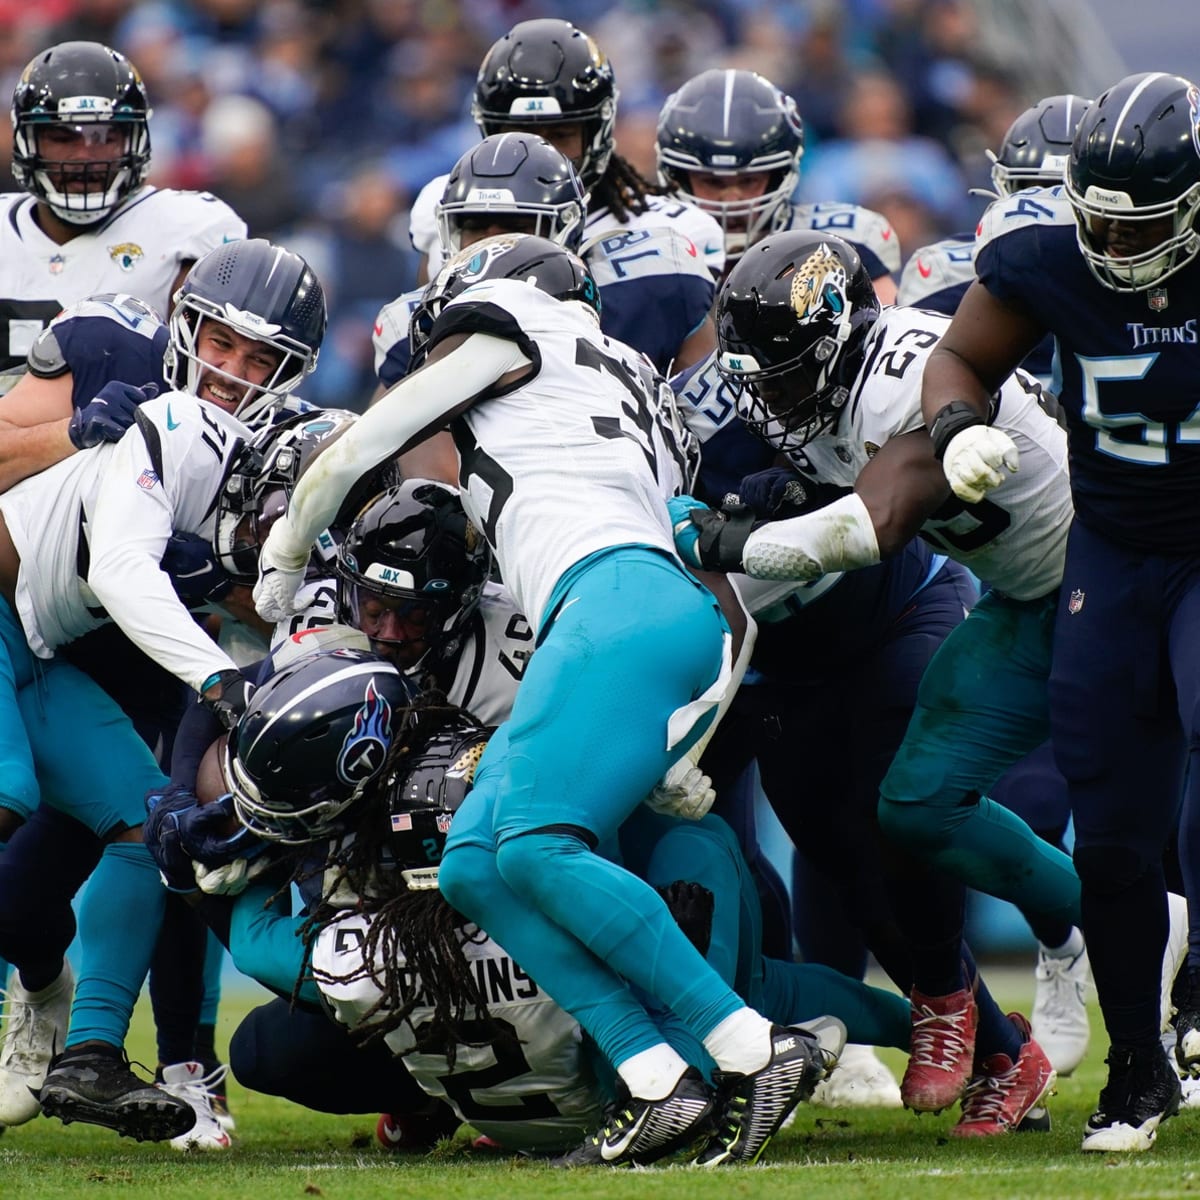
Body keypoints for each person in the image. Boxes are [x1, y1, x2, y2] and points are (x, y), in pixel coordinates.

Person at [252, 233, 836, 1167]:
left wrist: (286, 554)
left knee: (533, 843)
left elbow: (362, 444)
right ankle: (656, 1080)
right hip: (639, 612)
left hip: (610, 603)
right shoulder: (631, 383)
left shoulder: (517, 323)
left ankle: (751, 1046)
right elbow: (696, 566)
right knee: (475, 866)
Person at [670, 229, 1083, 1130]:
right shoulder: (726, 397)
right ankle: (998, 1023)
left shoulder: (900, 374)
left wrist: (720, 536)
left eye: (778, 373)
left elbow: (874, 522)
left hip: (965, 596)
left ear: (831, 340)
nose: (763, 396)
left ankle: (1088, 955)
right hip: (969, 608)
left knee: (921, 810)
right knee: (860, 832)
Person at [917, 71, 1200, 1153]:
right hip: (1116, 553)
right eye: (1102, 223)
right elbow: (962, 356)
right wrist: (954, 425)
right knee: (1115, 831)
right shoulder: (1042, 262)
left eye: (1145, 227)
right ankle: (1140, 1066)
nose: (1118, 249)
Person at [0, 240, 326, 1142]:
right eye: (222, 345)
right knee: (5, 803)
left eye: (262, 362)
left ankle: (96, 1051)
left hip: (68, 656)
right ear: (186, 324)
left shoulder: (259, 444)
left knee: (155, 825)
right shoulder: (122, 358)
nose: (232, 374)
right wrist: (70, 435)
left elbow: (250, 594)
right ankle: (49, 993)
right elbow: (114, 560)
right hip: (44, 625)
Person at [897, 92, 1095, 1080]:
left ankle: (1174, 1002)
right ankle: (1065, 947)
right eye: (1033, 199)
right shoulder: (961, 282)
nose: (1047, 223)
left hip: (1153, 557)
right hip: (1030, 580)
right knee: (1000, 794)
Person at [375, 132, 717, 483]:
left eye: (515, 229)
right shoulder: (414, 329)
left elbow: (716, 431)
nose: (493, 247)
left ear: (567, 230)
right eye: (475, 229)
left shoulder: (653, 285)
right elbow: (432, 490)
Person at [0, 41, 245, 396]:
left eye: (105, 135)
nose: (84, 155)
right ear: (26, 140)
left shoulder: (188, 227)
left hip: (129, 442)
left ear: (136, 138)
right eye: (61, 136)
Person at [408, 18, 726, 284]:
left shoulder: (672, 232)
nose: (538, 151)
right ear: (488, 131)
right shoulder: (447, 205)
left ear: (597, 134)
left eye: (559, 135)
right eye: (521, 134)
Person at [656, 67, 900, 299]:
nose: (731, 199)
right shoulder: (650, 249)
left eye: (749, 180)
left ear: (778, 176)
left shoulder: (842, 242)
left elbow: (887, 334)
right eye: (711, 181)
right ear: (678, 177)